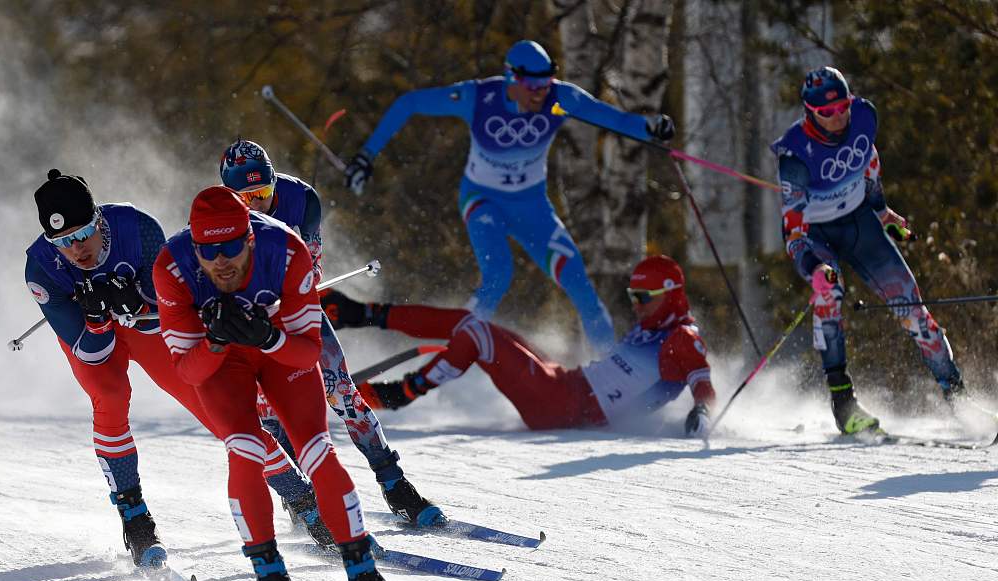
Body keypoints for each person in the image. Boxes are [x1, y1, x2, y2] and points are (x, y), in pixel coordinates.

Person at [25, 171, 346, 566]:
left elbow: (171, 316)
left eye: (83, 233)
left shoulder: (137, 228)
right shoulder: (41, 268)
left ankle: (302, 499)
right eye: (62, 241)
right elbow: (92, 353)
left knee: (220, 411)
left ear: (100, 220)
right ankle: (135, 516)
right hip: (96, 336)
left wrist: (140, 305)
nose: (76, 249)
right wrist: (96, 318)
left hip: (147, 327)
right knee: (109, 396)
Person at [152, 186, 398, 581]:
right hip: (221, 362)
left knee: (317, 451)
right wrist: (216, 340)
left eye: (231, 247)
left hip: (281, 350)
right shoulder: (172, 266)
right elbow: (187, 372)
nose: (221, 261)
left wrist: (267, 337)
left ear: (249, 238)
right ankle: (271, 580)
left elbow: (308, 354)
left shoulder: (286, 249)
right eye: (209, 251)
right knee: (245, 448)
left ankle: (364, 574)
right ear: (194, 245)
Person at [343, 40, 676, 353]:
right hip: (483, 201)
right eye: (533, 87)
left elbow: (614, 119)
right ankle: (457, 350)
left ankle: (612, 370)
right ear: (511, 78)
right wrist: (366, 156)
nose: (540, 95)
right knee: (499, 274)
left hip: (531, 207)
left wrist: (650, 126)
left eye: (547, 84)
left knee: (579, 282)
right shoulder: (479, 98)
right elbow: (410, 103)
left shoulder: (560, 101)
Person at [220, 139, 442, 528]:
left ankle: (394, 484)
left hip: (297, 309)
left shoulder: (301, 200)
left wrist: (287, 290)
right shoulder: (215, 221)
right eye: (246, 198)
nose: (256, 204)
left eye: (263, 192)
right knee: (270, 413)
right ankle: (302, 501)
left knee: (343, 393)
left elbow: (312, 270)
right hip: (250, 324)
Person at [771, 67, 964, 435]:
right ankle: (844, 405)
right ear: (810, 112)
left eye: (841, 106)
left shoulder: (863, 115)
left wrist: (883, 212)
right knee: (829, 296)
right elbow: (793, 234)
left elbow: (869, 162)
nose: (837, 117)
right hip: (817, 234)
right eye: (826, 113)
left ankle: (956, 395)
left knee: (913, 310)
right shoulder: (794, 156)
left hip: (860, 223)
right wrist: (813, 268)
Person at [324, 256, 714, 436]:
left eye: (644, 296)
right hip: (566, 384)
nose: (636, 303)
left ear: (672, 295)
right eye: (633, 295)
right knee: (471, 325)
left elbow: (703, 383)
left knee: (477, 335)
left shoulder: (682, 337)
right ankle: (360, 313)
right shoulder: (652, 329)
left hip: (566, 406)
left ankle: (401, 393)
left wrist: (702, 412)